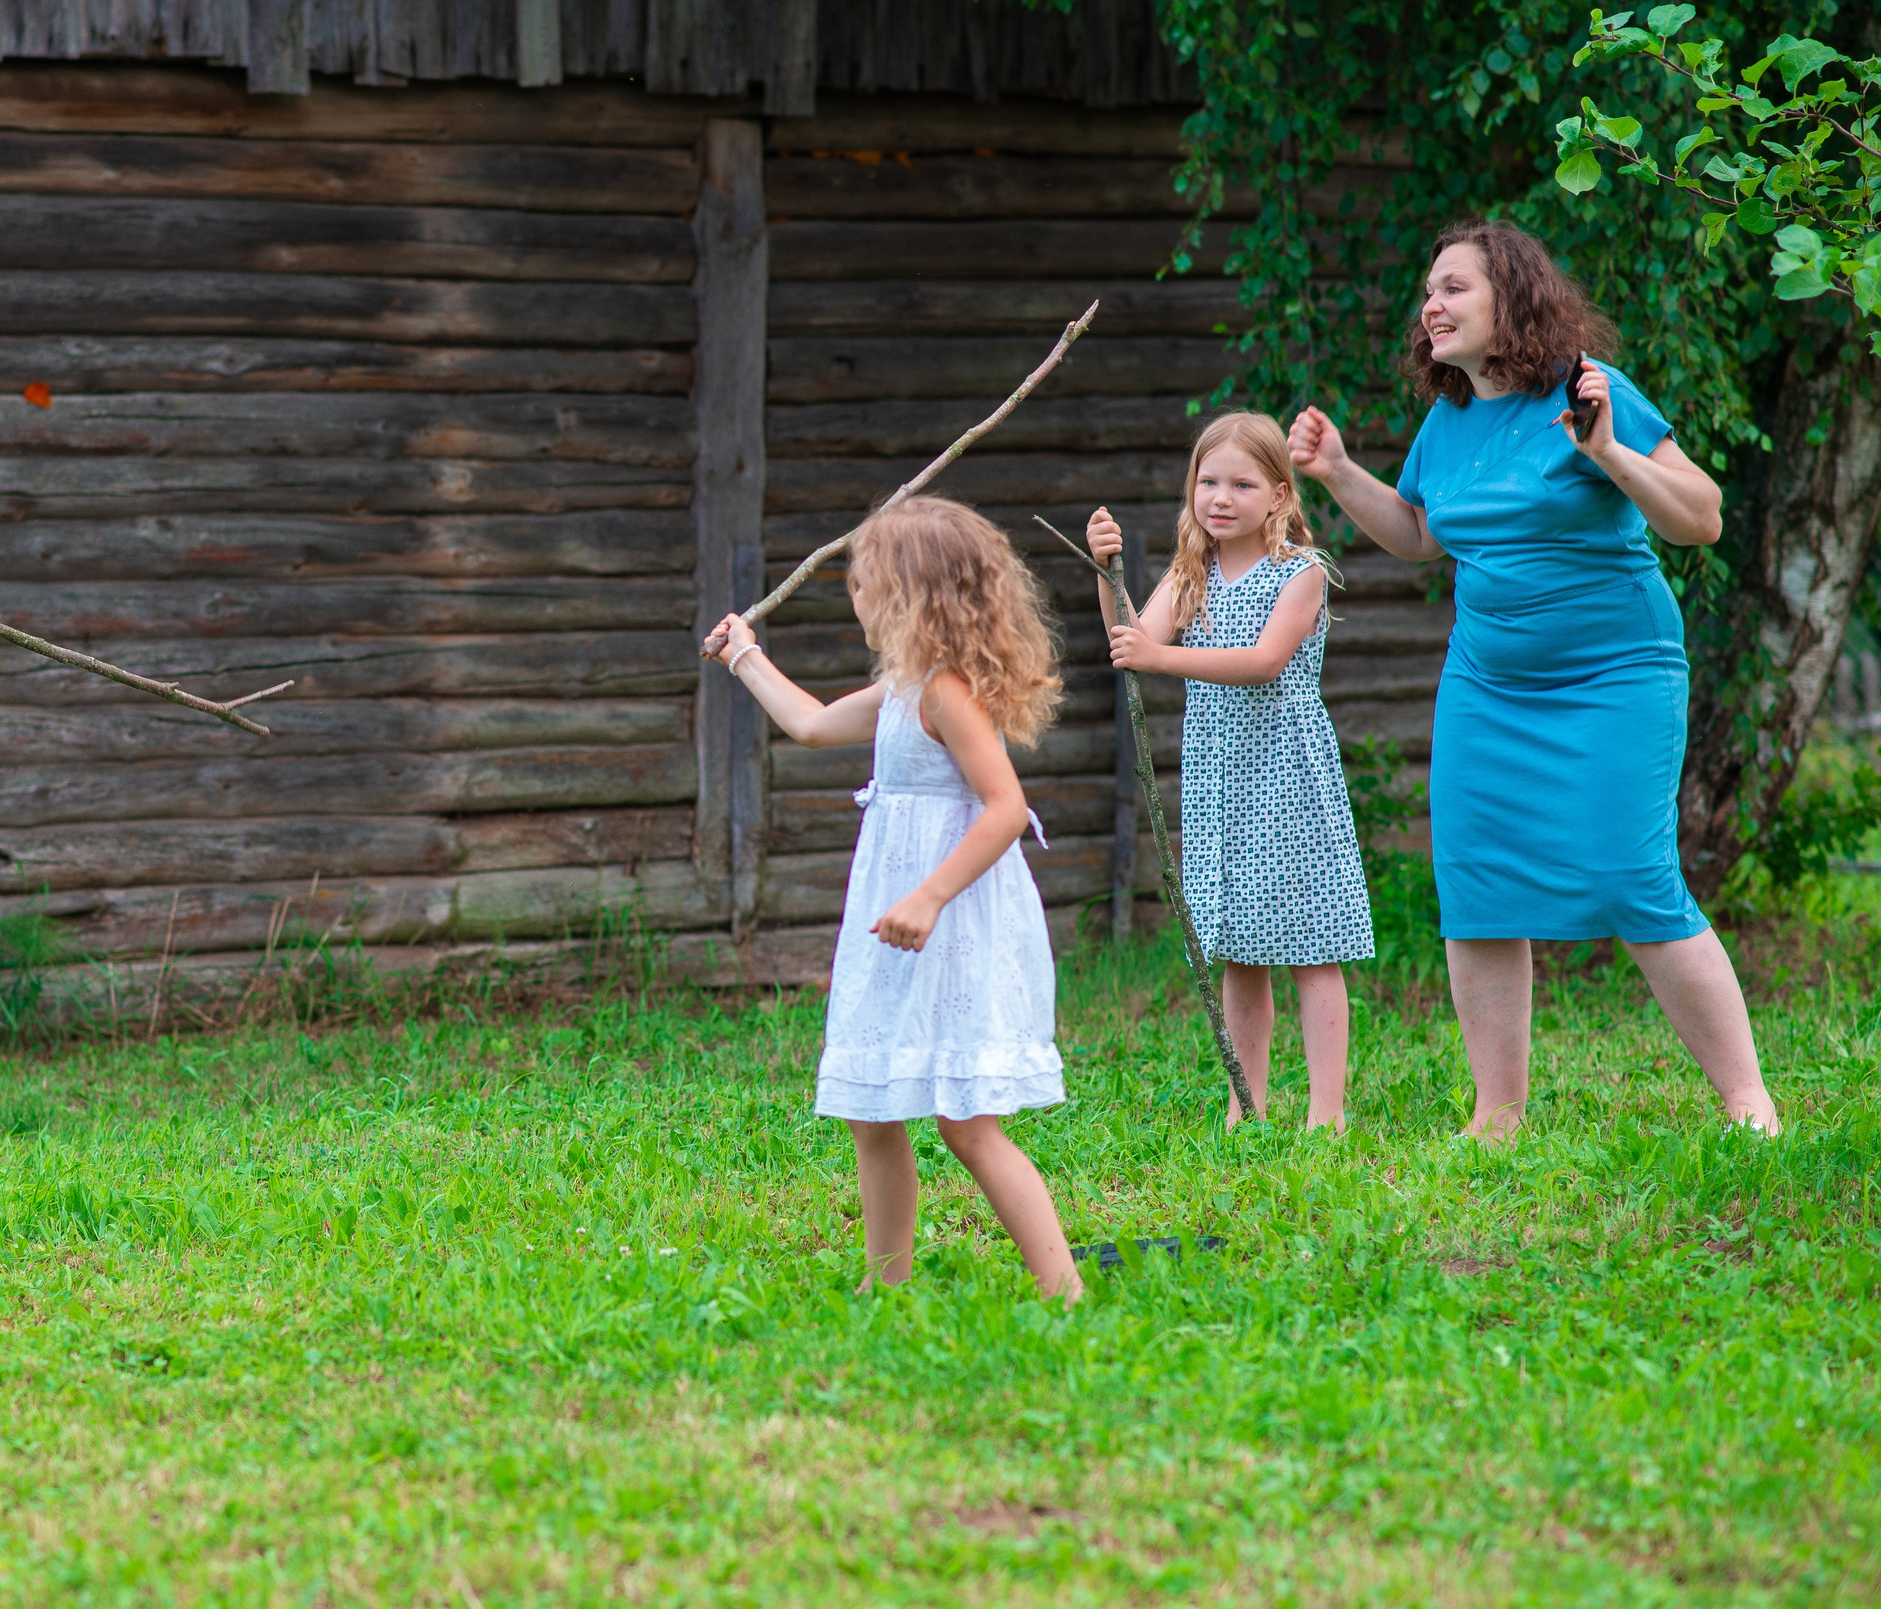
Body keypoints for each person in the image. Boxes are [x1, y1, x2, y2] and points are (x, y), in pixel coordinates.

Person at [1288, 219, 1780, 1138]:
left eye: (1454, 288)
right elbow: (1423, 535)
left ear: (1510, 297)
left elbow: (1702, 518)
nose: (1431, 305)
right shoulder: (1452, 416)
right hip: (1488, 685)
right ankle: (1497, 1114)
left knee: (1635, 877)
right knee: (1476, 887)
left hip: (1614, 674)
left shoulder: (1590, 389)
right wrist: (1339, 470)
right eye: (1428, 291)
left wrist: (1607, 454)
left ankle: (1747, 1097)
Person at [704, 497, 1082, 1301]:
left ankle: (1064, 1290)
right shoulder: (905, 686)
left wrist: (930, 896)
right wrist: (744, 654)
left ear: (913, 592)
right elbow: (807, 724)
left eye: (865, 581)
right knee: (872, 1109)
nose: (855, 595)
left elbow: (1006, 809)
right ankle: (887, 1285)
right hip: (898, 915)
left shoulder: (947, 692)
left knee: (965, 1122)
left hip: (948, 914)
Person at [1085, 412, 1374, 1131]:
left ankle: (1326, 1113)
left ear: (1279, 495)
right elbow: (1133, 638)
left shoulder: (1301, 574)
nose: (1220, 497)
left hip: (1287, 774)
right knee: (1240, 947)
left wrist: (1162, 660)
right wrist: (1105, 569)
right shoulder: (1193, 575)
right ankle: (1247, 1106)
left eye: (1241, 484)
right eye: (1207, 481)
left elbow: (1263, 662)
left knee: (1310, 943)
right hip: (1221, 780)